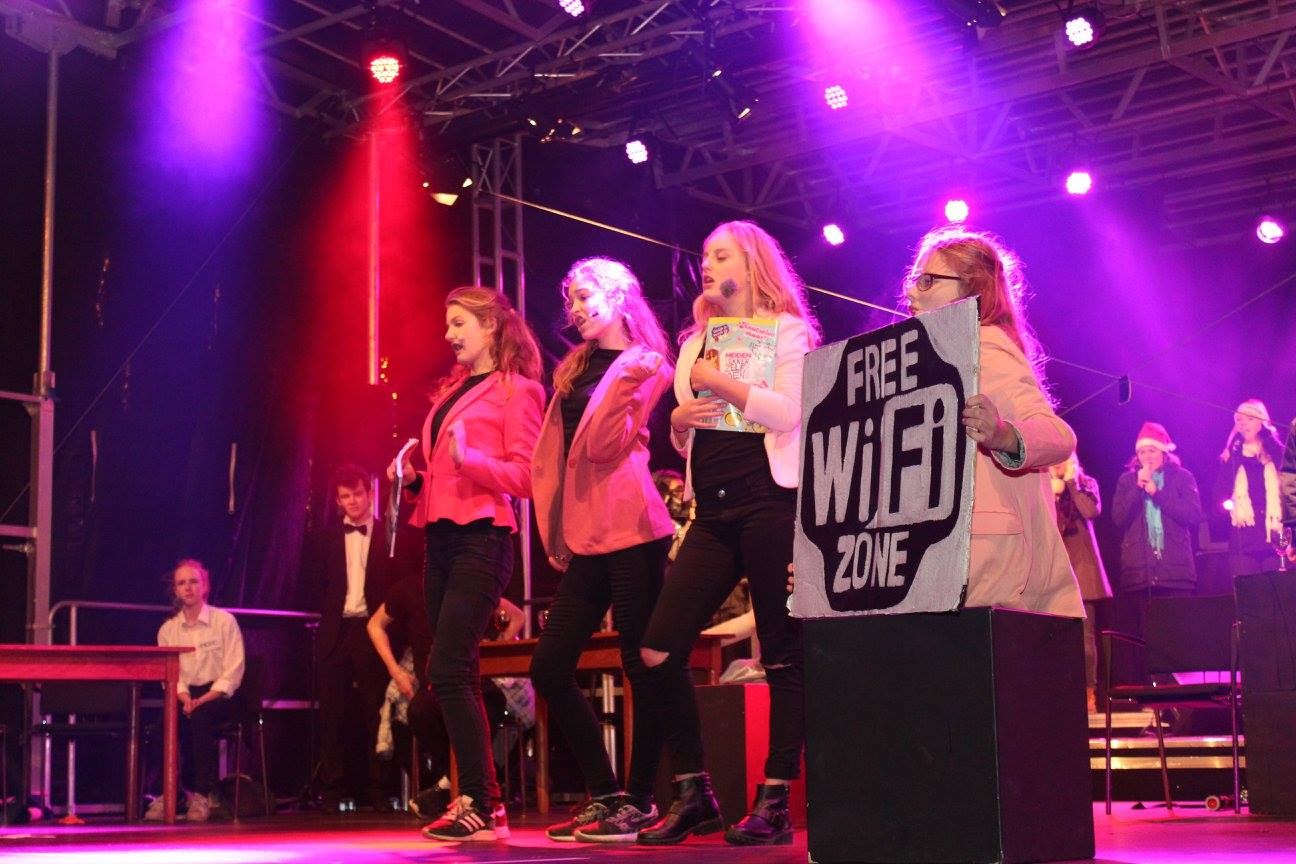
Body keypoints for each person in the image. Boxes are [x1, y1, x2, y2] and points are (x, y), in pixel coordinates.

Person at [637, 220, 821, 847]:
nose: (708, 265)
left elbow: (790, 413)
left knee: (783, 652)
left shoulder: (788, 330)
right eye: (705, 256)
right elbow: (689, 430)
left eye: (721, 255)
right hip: (711, 514)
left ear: (752, 262)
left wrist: (722, 383)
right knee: (657, 649)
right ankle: (695, 792)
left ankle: (774, 799)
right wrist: (680, 422)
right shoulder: (697, 340)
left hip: (771, 502)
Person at [527, 257, 684, 843]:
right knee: (549, 666)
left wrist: (620, 378)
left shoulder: (645, 364)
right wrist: (555, 525)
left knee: (639, 664)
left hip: (632, 524)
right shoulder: (575, 367)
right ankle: (607, 792)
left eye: (585, 296)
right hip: (588, 530)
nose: (575, 309)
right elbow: (555, 457)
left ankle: (639, 801)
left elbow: (604, 445)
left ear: (619, 295)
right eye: (570, 299)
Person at [391, 286, 544, 841]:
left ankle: (480, 801)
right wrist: (415, 480)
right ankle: (485, 804)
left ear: (491, 327)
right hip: (441, 541)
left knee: (450, 668)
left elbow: (526, 477)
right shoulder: (451, 394)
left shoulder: (519, 391)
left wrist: (470, 459)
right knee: (453, 672)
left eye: (459, 323)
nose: (449, 334)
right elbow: (443, 476)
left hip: (483, 538)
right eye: (448, 323)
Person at [902, 226, 1083, 618]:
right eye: (913, 280)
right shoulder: (925, 359)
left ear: (972, 291)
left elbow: (1059, 436)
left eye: (927, 281)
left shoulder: (985, 345)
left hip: (985, 564)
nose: (912, 293)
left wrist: (1003, 435)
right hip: (941, 561)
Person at [367, 577, 528, 818]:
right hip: (434, 686)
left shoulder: (465, 583)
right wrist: (395, 671)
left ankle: (450, 786)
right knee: (418, 711)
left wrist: (498, 646)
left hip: (473, 683)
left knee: (490, 704)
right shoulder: (409, 588)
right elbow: (375, 624)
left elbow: (517, 616)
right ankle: (463, 779)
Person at [307, 463, 409, 812]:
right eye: (345, 496)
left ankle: (379, 789)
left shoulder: (388, 535)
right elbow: (316, 582)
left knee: (375, 710)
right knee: (331, 713)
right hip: (336, 631)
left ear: (370, 494)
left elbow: (399, 584)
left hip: (373, 629)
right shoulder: (325, 537)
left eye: (357, 494)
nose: (352, 501)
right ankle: (333, 789)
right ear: (338, 501)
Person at [147, 559, 245, 822]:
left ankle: (204, 793)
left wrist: (203, 699)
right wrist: (186, 699)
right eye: (182, 583)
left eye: (193, 582)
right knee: (163, 724)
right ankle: (169, 792)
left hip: (220, 695)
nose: (188, 588)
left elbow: (233, 671)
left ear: (205, 586)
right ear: (175, 590)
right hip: (185, 694)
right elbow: (171, 676)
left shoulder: (224, 621)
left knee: (202, 717)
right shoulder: (168, 630)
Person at [1111, 421, 1204, 681]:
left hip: (1175, 573)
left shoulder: (1182, 477)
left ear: (1164, 452)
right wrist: (1138, 488)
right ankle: (1156, 691)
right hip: (1140, 574)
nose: (1147, 457)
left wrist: (1157, 492)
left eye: (1152, 451)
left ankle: (1182, 689)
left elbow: (1192, 515)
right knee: (1147, 638)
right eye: (1142, 452)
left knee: (1178, 635)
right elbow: (1118, 518)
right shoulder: (1127, 481)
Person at [1050, 454, 1112, 711]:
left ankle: (1089, 694)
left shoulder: (1086, 483)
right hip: (1054, 571)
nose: (1057, 463)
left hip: (1084, 572)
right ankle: (1060, 694)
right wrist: (1053, 494)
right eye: (1054, 459)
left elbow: (1090, 511)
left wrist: (1072, 484)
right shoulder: (1042, 486)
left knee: (1086, 639)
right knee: (1054, 639)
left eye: (1062, 458)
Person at [1216, 398, 1286, 577]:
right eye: (1239, 419)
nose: (1243, 423)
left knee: (1277, 589)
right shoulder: (1233, 456)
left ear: (1261, 423)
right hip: (1243, 541)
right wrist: (1233, 454)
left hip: (1275, 538)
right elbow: (1220, 497)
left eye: (1250, 419)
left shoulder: (1276, 452)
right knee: (1249, 590)